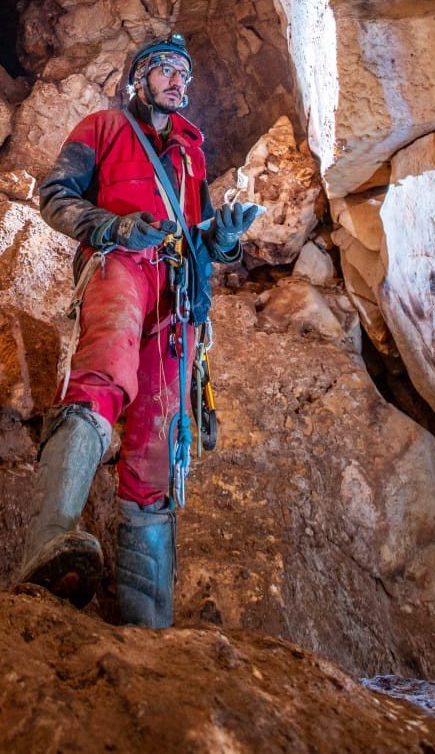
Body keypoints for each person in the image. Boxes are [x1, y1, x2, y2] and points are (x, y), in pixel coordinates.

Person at [20, 33, 260, 627]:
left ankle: (146, 618)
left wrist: (226, 236)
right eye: (167, 69)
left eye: (184, 73)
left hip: (179, 292)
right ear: (139, 78)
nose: (179, 81)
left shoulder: (191, 154)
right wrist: (114, 228)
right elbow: (55, 196)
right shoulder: (103, 128)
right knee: (104, 367)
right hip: (122, 263)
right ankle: (49, 540)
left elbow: (203, 239)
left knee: (161, 435)